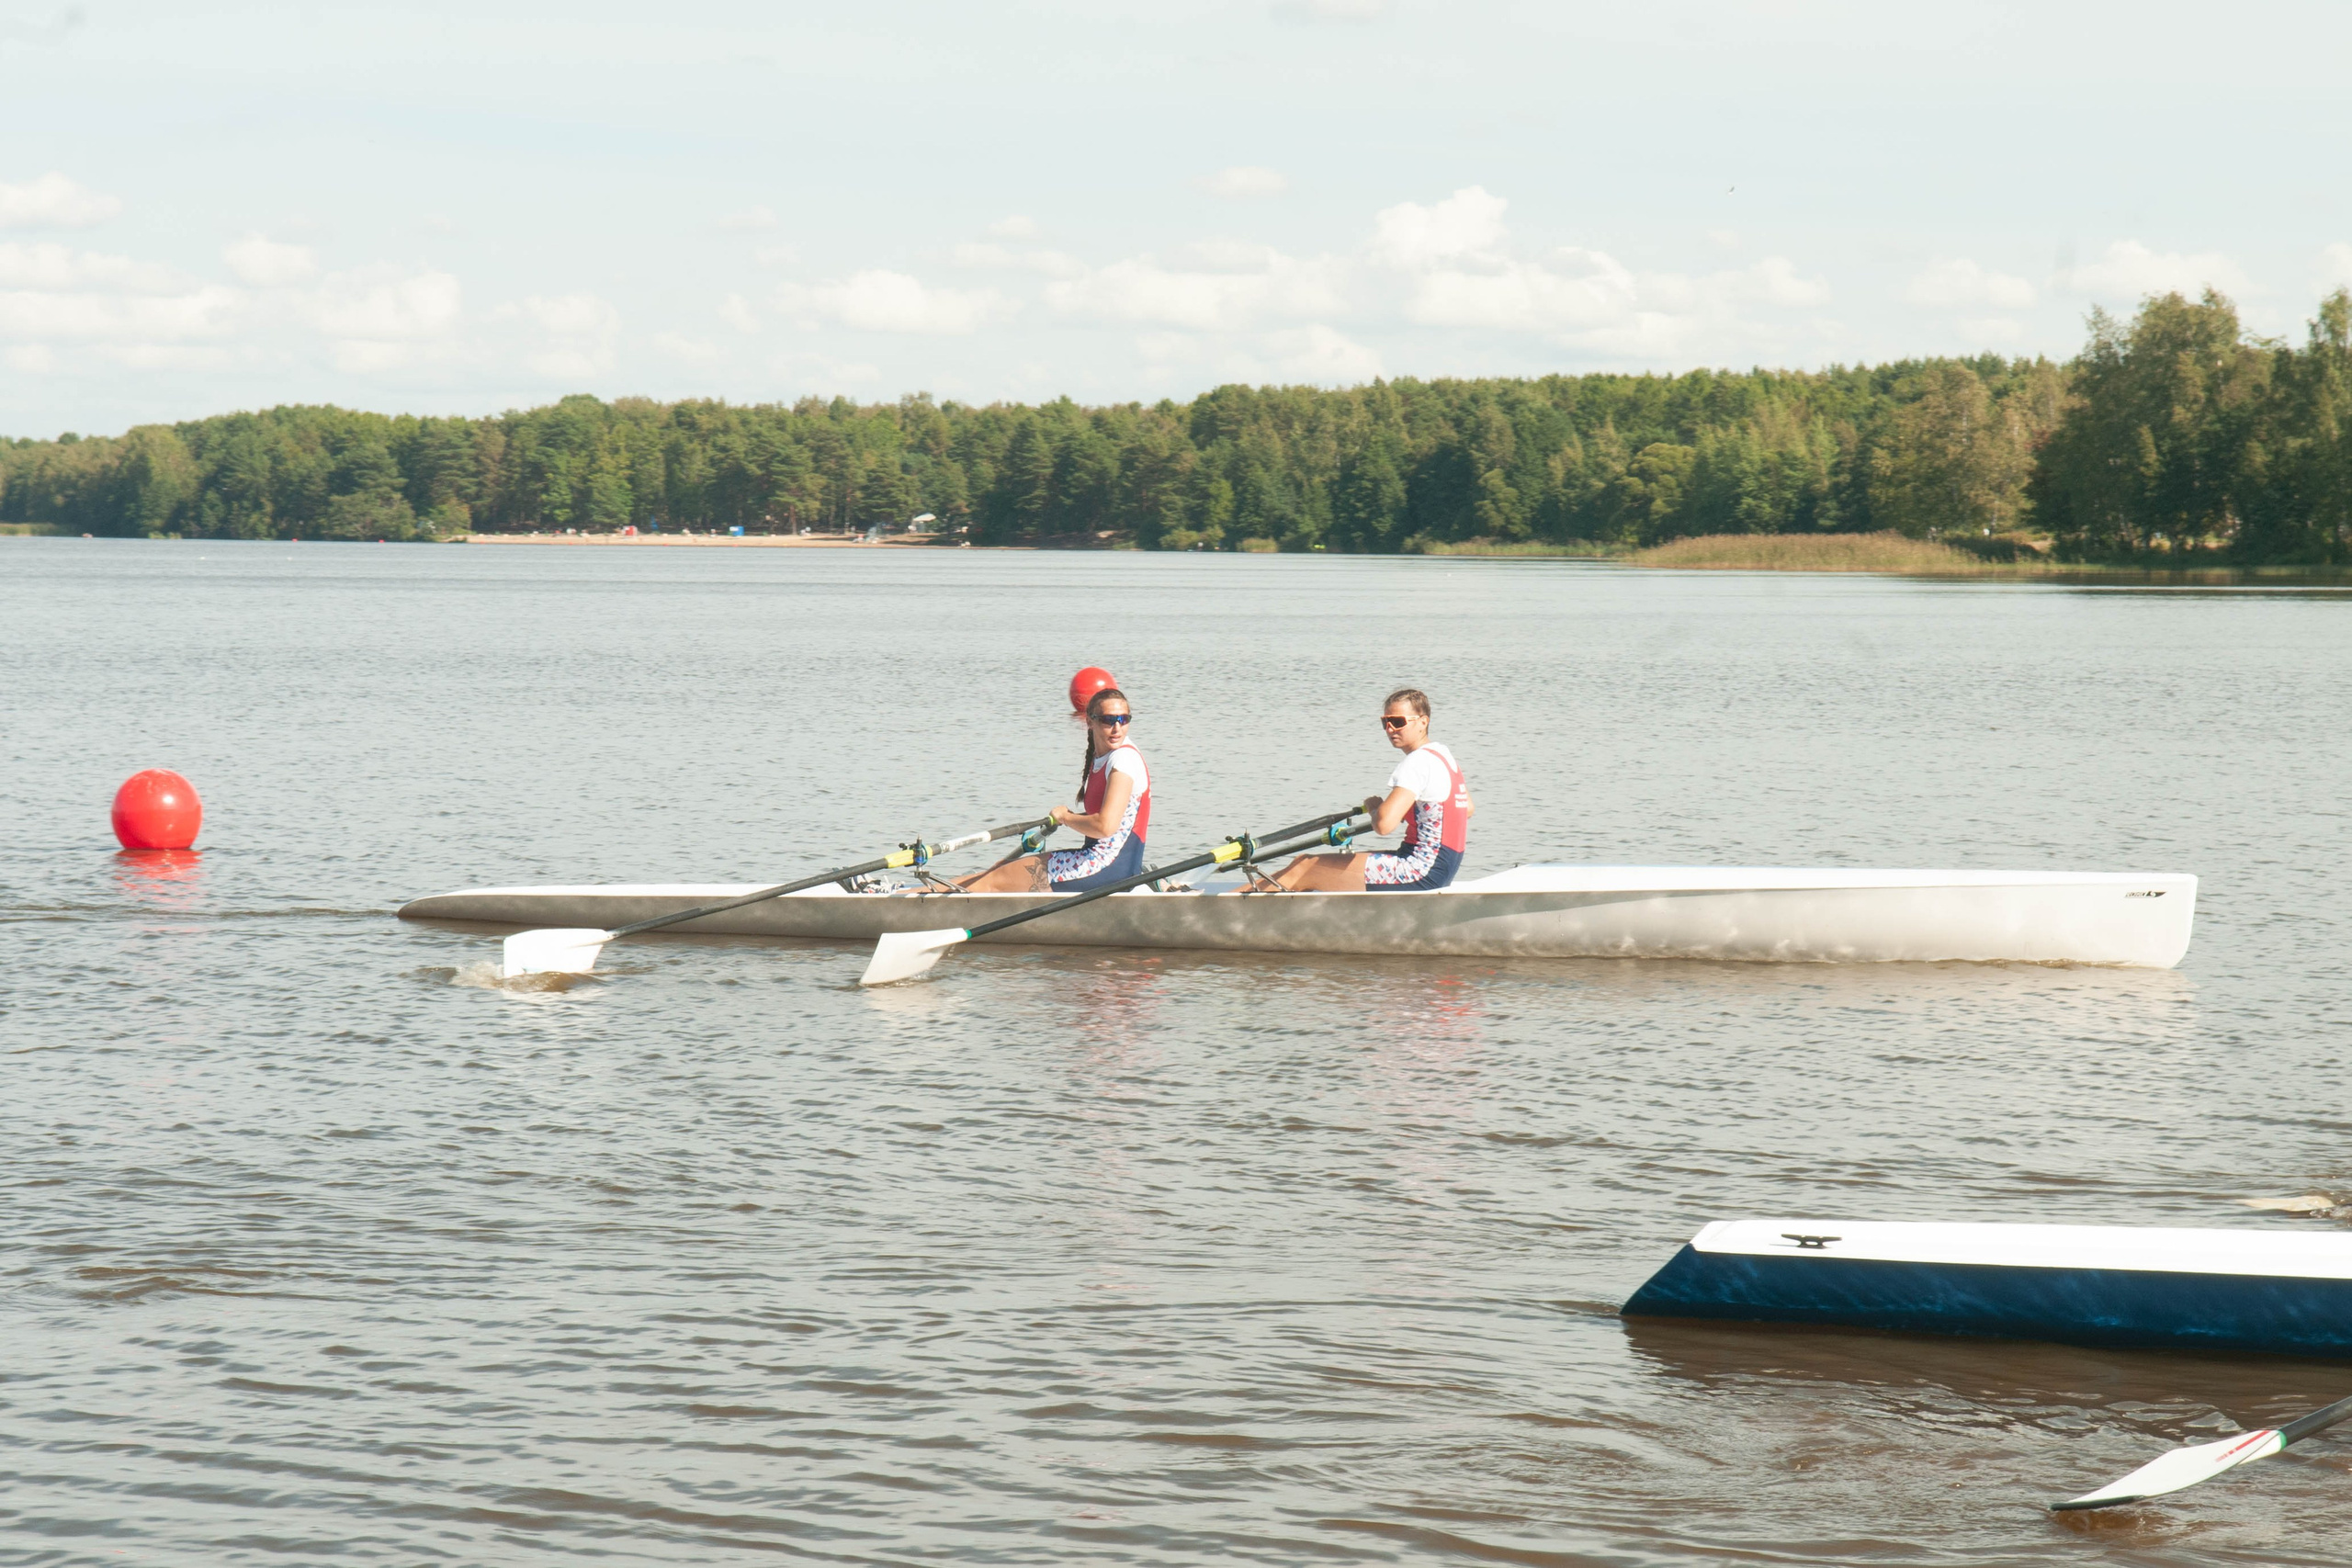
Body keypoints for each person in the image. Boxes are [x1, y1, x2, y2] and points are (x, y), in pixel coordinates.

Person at [952, 687, 1151, 893]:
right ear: (1090, 722)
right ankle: (921, 895)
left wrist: (1066, 817)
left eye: (1124, 719)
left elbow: (1105, 827)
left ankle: (924, 905)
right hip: (1101, 863)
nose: (1117, 727)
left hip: (1107, 869)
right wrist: (1073, 817)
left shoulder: (1123, 759)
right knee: (992, 875)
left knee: (992, 882)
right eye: (1108, 720)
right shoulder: (1104, 757)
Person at [1272, 687, 1470, 892]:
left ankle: (1239, 911)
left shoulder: (1416, 762)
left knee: (1305, 866)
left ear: (1423, 722)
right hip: (1440, 868)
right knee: (1306, 864)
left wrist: (1376, 808)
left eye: (1398, 721)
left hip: (1419, 869)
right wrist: (1412, 809)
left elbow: (1383, 826)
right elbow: (1467, 808)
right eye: (1386, 722)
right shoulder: (1442, 754)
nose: (1390, 729)